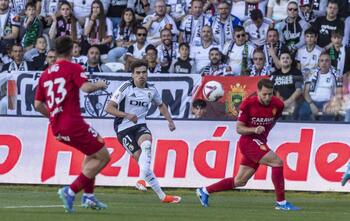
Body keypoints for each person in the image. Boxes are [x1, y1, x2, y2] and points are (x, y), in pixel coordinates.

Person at [196, 78, 300, 211]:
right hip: (248, 142)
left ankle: (204, 191)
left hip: (259, 142)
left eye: (270, 94)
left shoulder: (278, 104)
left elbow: (272, 121)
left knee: (240, 181)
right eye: (264, 94)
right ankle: (281, 203)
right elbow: (239, 128)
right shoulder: (248, 104)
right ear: (258, 92)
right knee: (277, 162)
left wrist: (262, 135)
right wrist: (254, 130)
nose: (267, 97)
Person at [34, 36, 110, 213]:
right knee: (104, 156)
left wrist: (53, 117)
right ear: (70, 50)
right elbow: (86, 88)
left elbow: (38, 105)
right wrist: (100, 84)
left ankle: (89, 197)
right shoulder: (73, 67)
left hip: (57, 127)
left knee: (92, 153)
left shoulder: (45, 74)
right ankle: (71, 190)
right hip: (73, 123)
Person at [105, 60, 181, 204]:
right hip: (123, 129)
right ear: (132, 75)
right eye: (138, 73)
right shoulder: (125, 87)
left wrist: (170, 121)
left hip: (140, 125)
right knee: (142, 160)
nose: (141, 75)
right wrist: (127, 115)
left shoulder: (151, 90)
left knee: (146, 145)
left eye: (144, 72)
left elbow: (161, 105)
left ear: (147, 74)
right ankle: (162, 196)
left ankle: (141, 180)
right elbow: (109, 108)